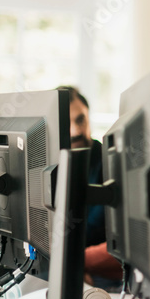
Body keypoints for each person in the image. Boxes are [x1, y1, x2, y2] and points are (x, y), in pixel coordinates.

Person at [56, 85, 121, 286]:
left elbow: (95, 230)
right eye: (67, 123)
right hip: (56, 267)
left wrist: (73, 266)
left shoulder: (112, 163)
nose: (76, 131)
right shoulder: (43, 163)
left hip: (103, 272)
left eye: (81, 120)